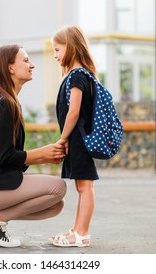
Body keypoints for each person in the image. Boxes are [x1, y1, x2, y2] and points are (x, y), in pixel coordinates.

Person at [0, 44, 67, 248]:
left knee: (55, 205)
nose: (32, 65)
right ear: (10, 68)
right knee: (58, 188)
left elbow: (6, 159)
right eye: (26, 60)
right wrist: (41, 154)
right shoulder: (3, 104)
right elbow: (4, 157)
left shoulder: (8, 102)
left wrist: (43, 156)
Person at [50, 25, 99, 247]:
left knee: (85, 186)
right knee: (82, 186)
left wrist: (63, 138)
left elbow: (74, 111)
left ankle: (82, 234)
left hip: (78, 139)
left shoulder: (78, 75)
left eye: (57, 49)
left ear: (70, 47)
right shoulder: (78, 75)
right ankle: (77, 230)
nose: (55, 55)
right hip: (78, 139)